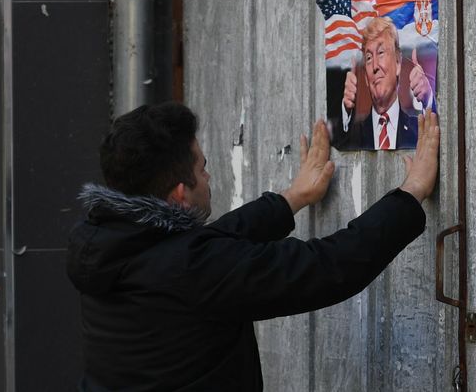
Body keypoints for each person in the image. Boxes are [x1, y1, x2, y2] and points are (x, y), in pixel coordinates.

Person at [66, 102, 440, 391]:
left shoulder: (107, 246)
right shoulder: (190, 270)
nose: (208, 176)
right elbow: (328, 267)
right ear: (180, 194)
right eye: (202, 168)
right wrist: (410, 194)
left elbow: (207, 245)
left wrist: (290, 199)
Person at [335, 17, 432, 150]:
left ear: (398, 63)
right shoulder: (354, 135)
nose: (375, 66)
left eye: (381, 53)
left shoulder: (417, 130)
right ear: (365, 76)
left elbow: (443, 148)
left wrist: (428, 100)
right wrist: (345, 109)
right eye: (368, 58)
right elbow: (337, 149)